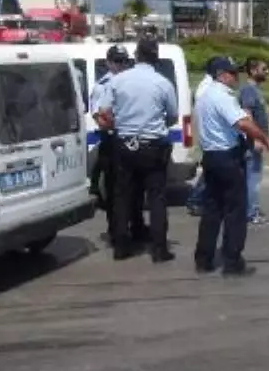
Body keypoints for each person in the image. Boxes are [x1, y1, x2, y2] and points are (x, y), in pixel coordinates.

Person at [96, 37, 178, 263]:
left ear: (137, 56)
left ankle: (122, 247)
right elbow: (171, 116)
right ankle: (159, 250)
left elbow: (104, 113)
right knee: (157, 198)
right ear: (156, 58)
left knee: (123, 196)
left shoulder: (118, 81)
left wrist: (120, 125)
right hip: (153, 146)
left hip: (125, 144)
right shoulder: (163, 83)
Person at [193, 57, 269, 277]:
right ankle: (232, 261)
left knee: (212, 210)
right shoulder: (222, 96)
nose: (236, 76)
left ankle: (204, 258)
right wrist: (264, 138)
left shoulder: (205, 94)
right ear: (222, 74)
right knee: (235, 211)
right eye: (232, 73)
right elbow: (242, 123)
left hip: (211, 156)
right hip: (226, 157)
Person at [89, 45, 143, 243]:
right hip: (112, 139)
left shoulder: (131, 82)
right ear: (108, 63)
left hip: (132, 138)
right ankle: (116, 230)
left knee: (136, 187)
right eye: (117, 61)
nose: (121, 66)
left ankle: (137, 226)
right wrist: (118, 124)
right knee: (114, 190)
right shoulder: (102, 85)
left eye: (125, 61)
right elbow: (99, 117)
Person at [238, 57, 269, 226]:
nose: (267, 72)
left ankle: (250, 210)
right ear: (252, 71)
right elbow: (247, 114)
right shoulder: (248, 90)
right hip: (252, 143)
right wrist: (256, 139)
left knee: (252, 177)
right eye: (264, 69)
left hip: (257, 140)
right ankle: (251, 213)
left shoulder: (255, 90)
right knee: (253, 178)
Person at [185, 64, 216, 216]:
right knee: (210, 171)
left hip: (206, 134)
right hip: (207, 135)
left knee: (210, 170)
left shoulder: (207, 85)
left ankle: (199, 199)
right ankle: (195, 199)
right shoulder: (207, 87)